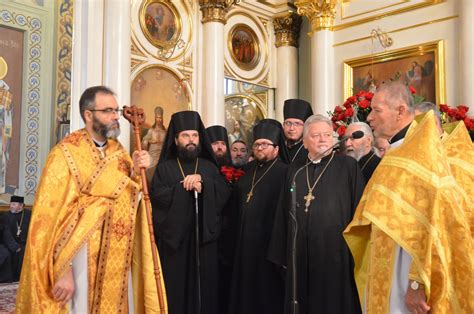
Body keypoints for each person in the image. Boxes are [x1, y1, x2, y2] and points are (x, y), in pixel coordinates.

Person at [15, 86, 166, 313]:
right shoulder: (64, 154)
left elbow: (129, 199)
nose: (116, 116)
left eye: (116, 110)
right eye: (108, 111)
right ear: (88, 114)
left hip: (116, 255)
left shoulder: (120, 153)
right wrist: (62, 269)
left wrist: (135, 172)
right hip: (79, 260)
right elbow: (50, 219)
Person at [344, 81, 473, 313]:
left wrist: (417, 282)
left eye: (377, 110)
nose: (370, 117)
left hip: (406, 274)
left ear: (401, 111)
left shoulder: (421, 153)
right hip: (387, 263)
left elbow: (432, 221)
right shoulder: (399, 150)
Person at [268, 114, 364, 314]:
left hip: (336, 255)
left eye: (327, 135)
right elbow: (282, 213)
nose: (322, 140)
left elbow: (360, 210)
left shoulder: (347, 167)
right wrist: (282, 254)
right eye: (316, 135)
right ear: (304, 142)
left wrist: (358, 253)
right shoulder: (295, 170)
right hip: (300, 256)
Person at [150, 110, 231, 314]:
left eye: (194, 135)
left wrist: (204, 184)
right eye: (186, 136)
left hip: (204, 244)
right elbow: (157, 199)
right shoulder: (164, 169)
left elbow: (224, 194)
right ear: (176, 139)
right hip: (174, 246)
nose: (191, 140)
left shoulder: (209, 168)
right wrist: (182, 188)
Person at [229, 119, 289, 314]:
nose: (260, 148)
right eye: (257, 144)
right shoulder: (247, 174)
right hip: (244, 246)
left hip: (269, 247)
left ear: (277, 149)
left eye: (265, 144)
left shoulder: (285, 173)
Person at [0, 195, 31, 282]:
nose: (11, 206)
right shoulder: (5, 216)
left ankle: (23, 278)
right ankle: (12, 278)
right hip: (9, 243)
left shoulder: (29, 214)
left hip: (24, 242)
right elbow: (6, 234)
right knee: (9, 253)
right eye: (11, 204)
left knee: (26, 252)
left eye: (14, 204)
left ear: (21, 205)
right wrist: (14, 246)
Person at [282, 99, 313, 163]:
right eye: (288, 123)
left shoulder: (310, 150)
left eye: (297, 124)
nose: (291, 128)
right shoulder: (278, 147)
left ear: (305, 127)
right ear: (283, 125)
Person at [142, 106, 167, 185]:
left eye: (160, 118)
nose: (159, 119)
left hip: (162, 155)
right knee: (148, 168)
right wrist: (147, 141)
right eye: (157, 117)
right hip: (152, 155)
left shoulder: (165, 131)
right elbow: (145, 142)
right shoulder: (151, 131)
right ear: (155, 118)